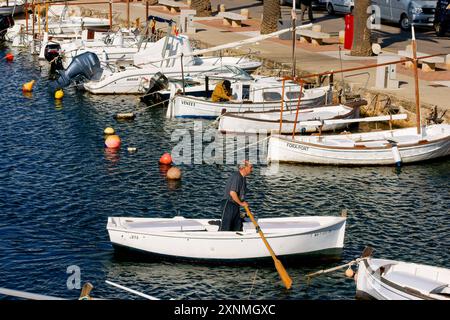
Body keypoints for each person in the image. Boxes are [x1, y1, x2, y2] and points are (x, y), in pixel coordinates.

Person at [219, 161, 253, 232]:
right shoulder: (237, 176)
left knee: (238, 227)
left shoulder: (243, 178)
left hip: (236, 206)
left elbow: (240, 195)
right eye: (250, 167)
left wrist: (244, 204)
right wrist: (242, 204)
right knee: (225, 228)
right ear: (244, 168)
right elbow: (233, 193)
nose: (252, 169)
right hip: (229, 204)